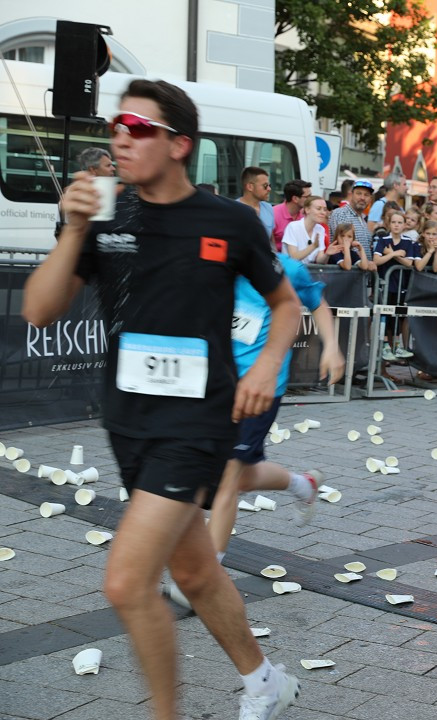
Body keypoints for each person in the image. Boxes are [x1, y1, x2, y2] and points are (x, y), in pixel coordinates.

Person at [22, 79, 302, 720]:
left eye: (137, 126)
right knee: (197, 574)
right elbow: (39, 311)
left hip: (198, 423)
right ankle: (264, 681)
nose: (120, 136)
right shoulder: (109, 215)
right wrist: (72, 229)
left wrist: (265, 364)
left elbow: (286, 307)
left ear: (179, 145)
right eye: (116, 126)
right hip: (129, 423)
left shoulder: (229, 221)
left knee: (126, 582)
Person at [164, 250, 345, 607]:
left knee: (229, 477)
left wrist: (333, 348)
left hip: (262, 387)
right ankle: (302, 484)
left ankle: (204, 580)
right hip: (215, 383)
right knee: (241, 476)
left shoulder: (286, 268)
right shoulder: (216, 260)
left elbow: (317, 303)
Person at [372, 209, 419, 361]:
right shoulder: (383, 240)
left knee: (397, 315)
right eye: (394, 222)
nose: (397, 225)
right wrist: (393, 254)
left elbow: (409, 263)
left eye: (400, 222)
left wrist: (393, 254)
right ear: (389, 224)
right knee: (384, 314)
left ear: (405, 225)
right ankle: (385, 344)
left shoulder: (407, 242)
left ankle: (398, 346)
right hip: (385, 285)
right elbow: (377, 260)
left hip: (400, 285)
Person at [329, 179, 376, 266]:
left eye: (366, 195)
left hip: (361, 274)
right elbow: (342, 243)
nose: (362, 198)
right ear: (351, 194)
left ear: (370, 199)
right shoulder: (340, 213)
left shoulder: (363, 219)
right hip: (345, 273)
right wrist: (364, 263)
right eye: (359, 193)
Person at [281, 195, 331, 264]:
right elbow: (293, 257)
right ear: (307, 210)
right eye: (318, 209)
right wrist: (313, 246)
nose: (323, 212)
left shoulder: (320, 229)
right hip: (289, 272)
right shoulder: (293, 227)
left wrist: (328, 253)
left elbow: (319, 260)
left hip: (309, 272)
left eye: (325, 209)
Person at [272, 179, 311, 249]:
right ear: (295, 199)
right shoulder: (273, 214)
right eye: (307, 197)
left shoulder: (306, 214)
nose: (310, 199)